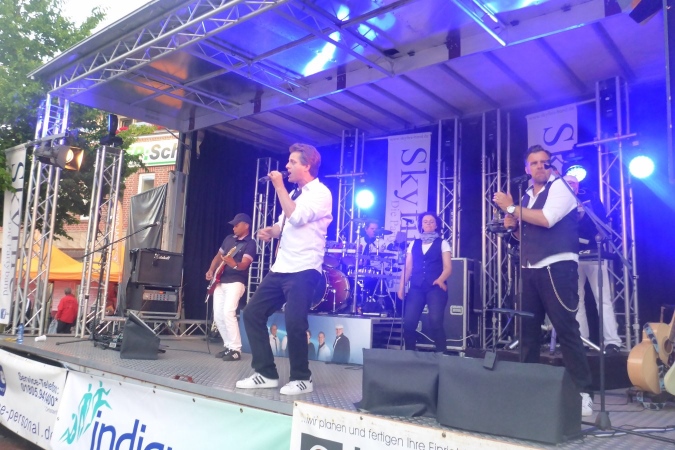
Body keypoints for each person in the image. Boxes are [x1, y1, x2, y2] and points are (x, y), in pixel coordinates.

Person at [493, 144, 594, 417]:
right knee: (527, 332)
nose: (539, 166)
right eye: (534, 163)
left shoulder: (561, 187)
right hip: (530, 267)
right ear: (527, 168)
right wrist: (513, 226)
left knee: (565, 329)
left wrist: (511, 207)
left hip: (557, 265)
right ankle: (527, 389)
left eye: (543, 162)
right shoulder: (527, 195)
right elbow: (525, 233)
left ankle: (583, 392)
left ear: (550, 165)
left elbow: (547, 219)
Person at [236, 143, 333, 395]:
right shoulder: (294, 194)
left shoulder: (321, 193)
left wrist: (278, 186)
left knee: (294, 320)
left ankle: (302, 378)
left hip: (305, 267)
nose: (287, 166)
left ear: (307, 165)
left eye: (292, 162)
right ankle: (266, 373)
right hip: (282, 266)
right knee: (252, 313)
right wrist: (272, 231)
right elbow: (285, 223)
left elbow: (297, 217)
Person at [563, 175, 622, 352]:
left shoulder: (590, 196)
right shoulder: (559, 199)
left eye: (572, 183)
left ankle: (612, 341)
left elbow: (601, 222)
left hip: (593, 250)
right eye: (567, 183)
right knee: (576, 300)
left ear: (577, 185)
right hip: (570, 253)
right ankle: (582, 340)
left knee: (602, 298)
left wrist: (584, 215)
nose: (570, 186)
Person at [397, 212, 452, 352]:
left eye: (431, 221)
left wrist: (440, 280)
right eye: (425, 221)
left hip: (435, 288)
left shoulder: (442, 243)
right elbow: (408, 267)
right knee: (409, 323)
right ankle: (410, 354)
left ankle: (441, 355)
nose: (428, 224)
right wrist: (401, 287)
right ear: (421, 225)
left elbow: (448, 267)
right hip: (416, 288)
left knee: (435, 322)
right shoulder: (414, 244)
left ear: (436, 225)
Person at [206, 213, 256, 361]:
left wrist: (233, 264)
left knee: (228, 312)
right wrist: (211, 270)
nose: (233, 228)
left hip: (236, 282)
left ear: (246, 225)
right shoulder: (228, 239)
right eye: (233, 225)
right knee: (218, 315)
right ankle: (228, 346)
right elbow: (218, 256)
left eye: (236, 225)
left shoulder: (250, 243)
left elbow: (245, 264)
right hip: (220, 281)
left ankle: (236, 349)